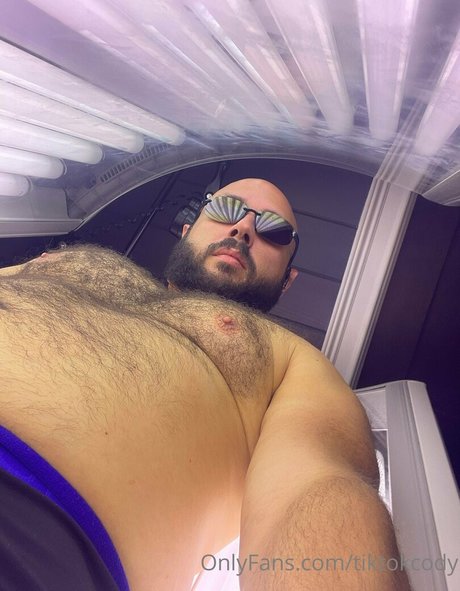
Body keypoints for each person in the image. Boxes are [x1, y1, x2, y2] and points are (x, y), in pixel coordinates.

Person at [0, 178, 411, 591]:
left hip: (34, 528)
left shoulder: (290, 359)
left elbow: (318, 484)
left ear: (288, 279)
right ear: (187, 229)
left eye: (274, 231)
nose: (243, 228)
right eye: (226, 208)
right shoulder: (82, 264)